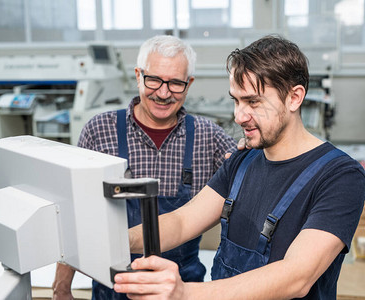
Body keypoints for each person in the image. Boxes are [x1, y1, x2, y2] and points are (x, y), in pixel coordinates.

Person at [114, 35, 365, 300]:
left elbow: (297, 276)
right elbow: (181, 222)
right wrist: (115, 240)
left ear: (294, 98)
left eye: (253, 102)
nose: (239, 116)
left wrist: (184, 293)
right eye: (236, 101)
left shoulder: (340, 177)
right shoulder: (242, 161)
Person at [52, 35, 237, 299]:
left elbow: (250, 177)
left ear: (189, 84)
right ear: (138, 75)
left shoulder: (208, 137)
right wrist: (61, 288)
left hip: (182, 286)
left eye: (175, 83)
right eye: (154, 80)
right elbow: (73, 210)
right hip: (113, 286)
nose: (163, 93)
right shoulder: (99, 132)